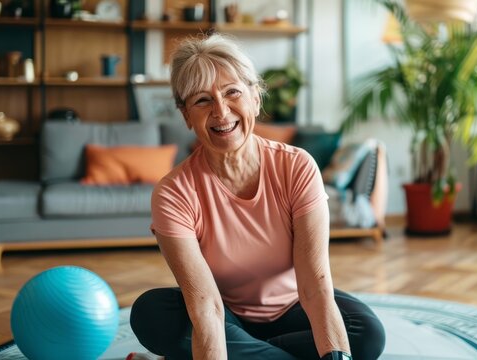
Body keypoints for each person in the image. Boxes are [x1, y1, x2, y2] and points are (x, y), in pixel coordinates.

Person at [130, 34, 386, 360]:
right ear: (185, 115)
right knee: (152, 313)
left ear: (255, 97)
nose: (221, 112)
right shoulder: (173, 192)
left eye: (232, 92)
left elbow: (314, 286)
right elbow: (205, 305)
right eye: (202, 100)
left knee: (366, 336)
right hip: (226, 317)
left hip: (295, 306)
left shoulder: (296, 166)